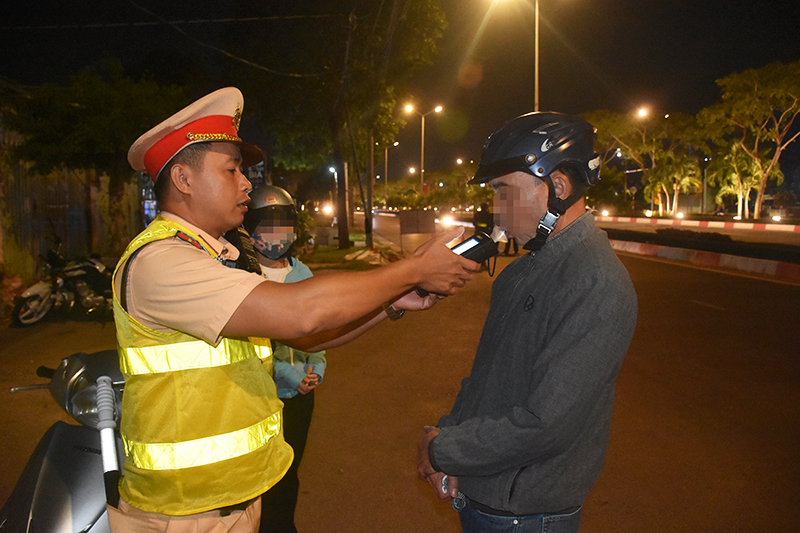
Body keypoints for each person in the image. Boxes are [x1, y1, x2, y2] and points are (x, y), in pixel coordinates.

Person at [109, 87, 478, 532]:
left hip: (232, 501)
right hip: (184, 513)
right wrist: (413, 268)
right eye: (231, 171)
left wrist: (391, 303)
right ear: (184, 180)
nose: (246, 183)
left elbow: (303, 337)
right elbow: (303, 313)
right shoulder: (162, 262)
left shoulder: (216, 256)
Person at [416, 112, 638, 532]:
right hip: (485, 497)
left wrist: (444, 450)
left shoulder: (597, 283)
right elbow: (483, 380)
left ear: (557, 187)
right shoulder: (522, 272)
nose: (496, 209)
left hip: (528, 517)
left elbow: (546, 424)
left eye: (504, 191)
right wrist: (446, 434)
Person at [241, 184, 325, 533]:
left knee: (290, 473)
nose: (277, 234)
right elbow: (252, 346)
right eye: (267, 225)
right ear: (250, 229)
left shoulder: (302, 274)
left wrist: (316, 369)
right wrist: (289, 376)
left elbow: (319, 333)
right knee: (263, 476)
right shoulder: (245, 277)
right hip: (261, 397)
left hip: (300, 399)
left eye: (284, 224)